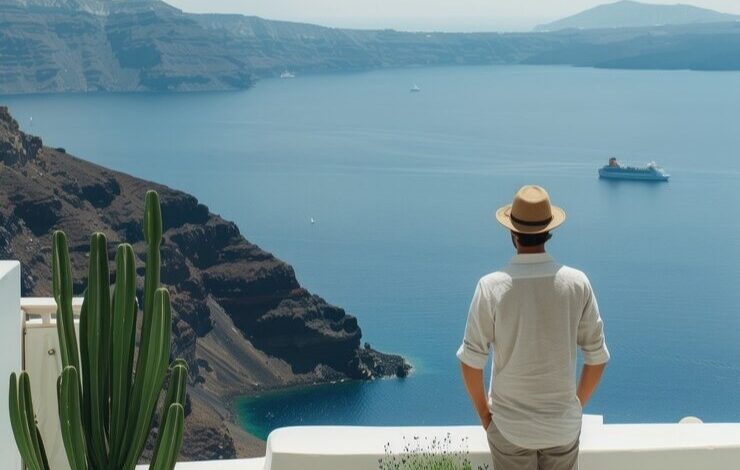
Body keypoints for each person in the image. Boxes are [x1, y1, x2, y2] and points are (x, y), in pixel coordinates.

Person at [457, 185, 609, 470]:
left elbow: (470, 363)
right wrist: (574, 406)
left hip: (509, 428)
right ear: (549, 231)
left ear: (512, 234)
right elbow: (597, 358)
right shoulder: (577, 284)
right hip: (562, 428)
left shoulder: (491, 287)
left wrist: (486, 419)